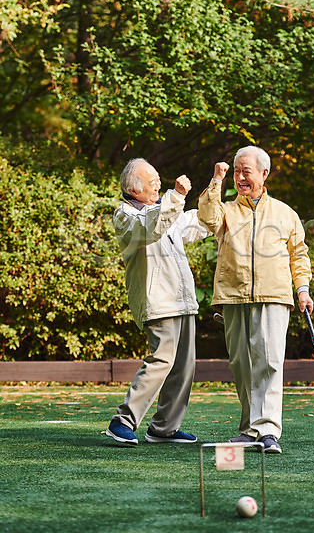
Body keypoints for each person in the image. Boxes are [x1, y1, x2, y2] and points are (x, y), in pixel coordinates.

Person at [198, 146, 313, 453]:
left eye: (246, 171)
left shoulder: (285, 213)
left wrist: (302, 288)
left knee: (269, 363)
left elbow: (298, 255)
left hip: (273, 296)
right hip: (233, 296)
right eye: (236, 171)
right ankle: (250, 429)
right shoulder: (226, 210)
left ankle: (268, 431)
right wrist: (217, 180)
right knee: (242, 365)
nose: (240, 177)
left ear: (264, 173)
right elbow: (207, 219)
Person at [106, 158, 207, 445]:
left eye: (158, 179)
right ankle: (122, 421)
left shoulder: (161, 209)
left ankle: (164, 428)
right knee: (161, 360)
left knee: (183, 366)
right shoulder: (125, 215)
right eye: (152, 182)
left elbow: (197, 223)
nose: (158, 185)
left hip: (181, 299)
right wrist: (176, 197)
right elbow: (153, 227)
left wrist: (215, 186)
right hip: (158, 300)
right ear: (133, 190)